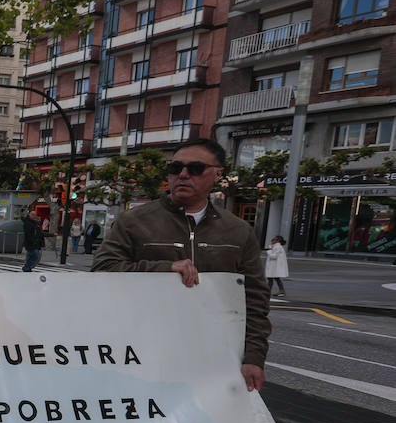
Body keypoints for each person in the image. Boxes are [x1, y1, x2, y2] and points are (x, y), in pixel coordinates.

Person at [92, 140, 270, 392]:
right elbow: (103, 269)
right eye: (175, 168)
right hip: (143, 350)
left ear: (217, 174)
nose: (183, 175)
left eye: (195, 168)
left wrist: (254, 358)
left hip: (212, 355)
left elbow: (255, 300)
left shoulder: (238, 231)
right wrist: (165, 269)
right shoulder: (135, 221)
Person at [21, 208, 43, 272]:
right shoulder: (27, 222)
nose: (34, 216)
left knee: (32, 256)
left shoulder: (35, 223)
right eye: (32, 214)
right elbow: (28, 234)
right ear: (29, 215)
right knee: (36, 256)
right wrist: (33, 241)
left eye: (35, 215)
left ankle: (28, 267)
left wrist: (52, 234)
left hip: (35, 243)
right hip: (31, 243)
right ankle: (26, 267)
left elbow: (40, 233)